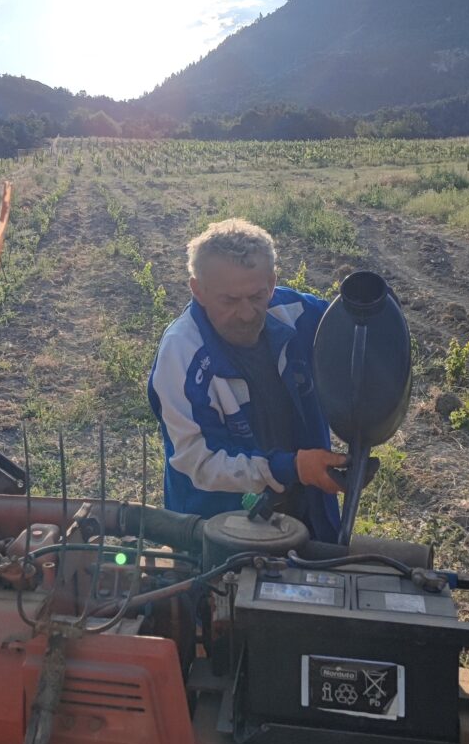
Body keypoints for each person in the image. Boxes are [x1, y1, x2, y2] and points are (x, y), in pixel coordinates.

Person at [148, 218, 346, 541]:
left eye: (257, 296)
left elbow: (359, 327)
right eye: (229, 301)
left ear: (271, 283)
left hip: (306, 513)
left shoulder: (297, 312)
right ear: (198, 290)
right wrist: (291, 468)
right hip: (218, 527)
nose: (246, 313)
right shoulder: (181, 355)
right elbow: (200, 462)